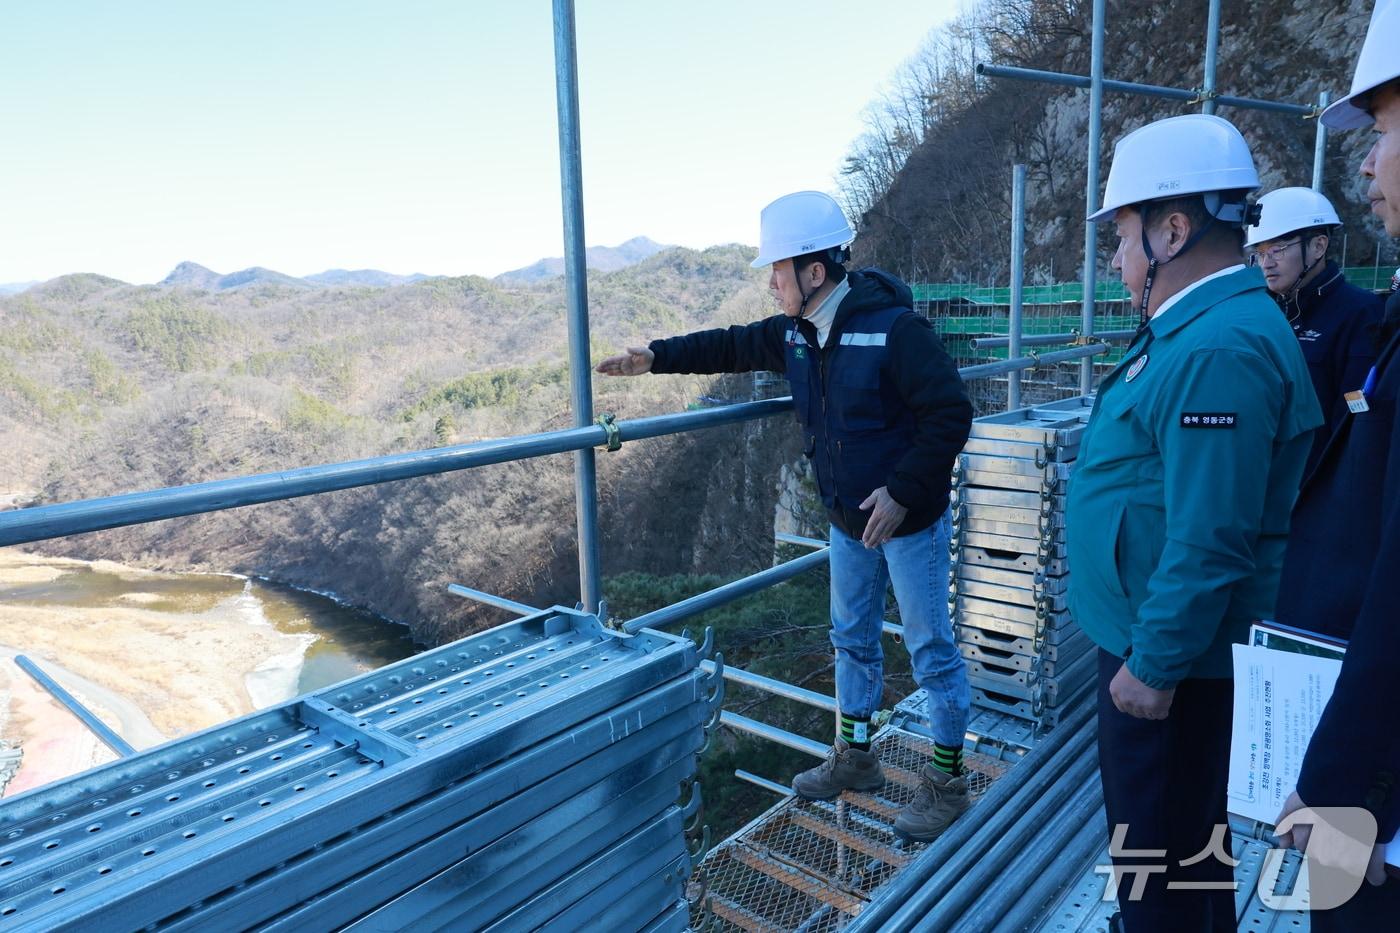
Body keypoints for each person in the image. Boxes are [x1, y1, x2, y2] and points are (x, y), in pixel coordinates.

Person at [595, 190, 974, 842]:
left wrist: (903, 491)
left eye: (778, 270)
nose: (771, 283)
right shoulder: (796, 334)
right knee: (851, 638)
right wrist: (655, 355)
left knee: (930, 651)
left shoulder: (894, 332)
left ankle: (948, 782)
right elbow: (730, 345)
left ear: (815, 271)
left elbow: (951, 413)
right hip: (846, 519)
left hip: (907, 522)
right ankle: (857, 756)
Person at [1063, 113, 1322, 932]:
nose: (1114, 259)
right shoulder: (1200, 329)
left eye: (1122, 237)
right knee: (1173, 839)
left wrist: (1154, 665)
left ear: (1172, 230)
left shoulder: (1217, 348)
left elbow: (1212, 533)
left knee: (1163, 835)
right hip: (1156, 639)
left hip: (1171, 661)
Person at [1272, 1, 1400, 927]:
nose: (1366, 160)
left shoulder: (1360, 318)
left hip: (1376, 763)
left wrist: (1340, 781)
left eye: (1384, 129)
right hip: (1340, 657)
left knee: (1346, 909)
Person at [1245, 187, 1383, 477]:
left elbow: (1353, 423)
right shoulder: (1265, 315)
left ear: (1319, 246)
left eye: (1277, 249)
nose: (1267, 262)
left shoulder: (1361, 313)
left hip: (1316, 492)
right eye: (1259, 253)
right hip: (1265, 489)